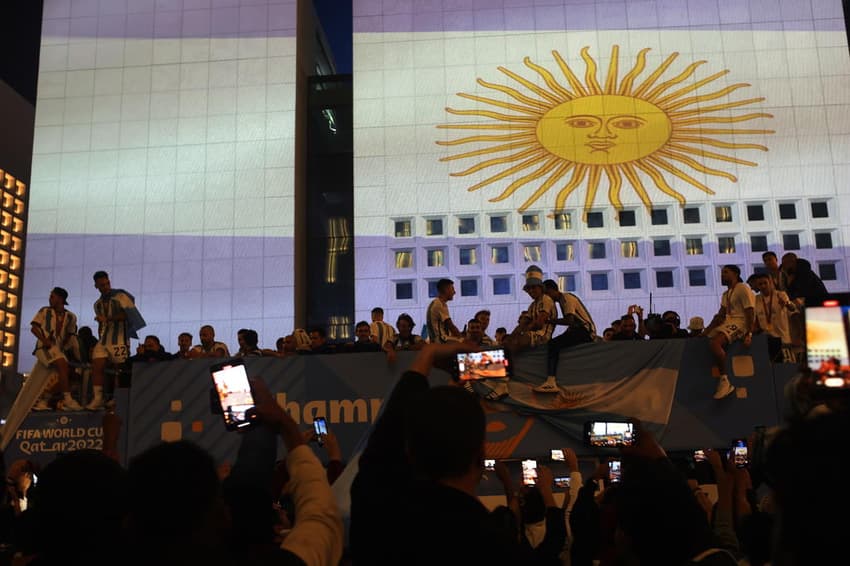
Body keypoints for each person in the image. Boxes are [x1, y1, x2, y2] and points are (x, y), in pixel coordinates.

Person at [349, 342, 526, 565]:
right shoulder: (496, 546)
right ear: (480, 457)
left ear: (411, 452)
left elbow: (384, 440)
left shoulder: (377, 512)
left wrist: (428, 354)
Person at [88, 271, 146, 410]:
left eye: (107, 283)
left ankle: (117, 397)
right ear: (96, 286)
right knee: (97, 365)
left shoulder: (120, 295)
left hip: (119, 339)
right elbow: (102, 324)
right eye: (102, 285)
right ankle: (98, 398)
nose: (106, 287)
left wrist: (107, 319)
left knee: (119, 369)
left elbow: (129, 315)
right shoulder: (97, 304)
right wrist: (100, 335)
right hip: (104, 339)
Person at [534, 279, 596, 393]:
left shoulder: (566, 298)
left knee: (553, 344)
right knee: (557, 343)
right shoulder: (564, 300)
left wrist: (549, 321)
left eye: (546, 293)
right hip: (581, 330)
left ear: (552, 290)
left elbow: (569, 320)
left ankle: (551, 381)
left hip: (586, 331)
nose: (546, 297)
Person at [704, 265, 756, 399]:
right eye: (722, 273)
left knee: (715, 344)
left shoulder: (742, 288)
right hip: (728, 322)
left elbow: (750, 312)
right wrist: (706, 331)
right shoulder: (725, 294)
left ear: (736, 274)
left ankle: (725, 380)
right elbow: (720, 316)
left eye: (726, 272)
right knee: (706, 341)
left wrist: (749, 333)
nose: (722, 275)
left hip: (740, 323)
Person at [29, 287, 83, 411]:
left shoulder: (71, 317)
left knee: (68, 373)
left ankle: (43, 401)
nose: (50, 299)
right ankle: (68, 400)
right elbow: (34, 328)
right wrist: (45, 341)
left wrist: (64, 345)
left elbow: (70, 334)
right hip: (43, 347)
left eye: (52, 296)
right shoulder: (44, 311)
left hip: (57, 350)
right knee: (63, 366)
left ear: (60, 299)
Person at [504, 266, 557, 356]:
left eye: (533, 287)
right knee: (509, 341)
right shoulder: (532, 306)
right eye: (529, 288)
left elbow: (539, 324)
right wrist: (510, 338)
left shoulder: (546, 299)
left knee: (518, 341)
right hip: (532, 335)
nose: (531, 291)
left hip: (543, 337)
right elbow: (521, 325)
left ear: (540, 288)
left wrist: (521, 332)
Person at [751, 273, 797, 363]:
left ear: (770, 282)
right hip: (767, 341)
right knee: (772, 368)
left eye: (765, 283)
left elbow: (793, 308)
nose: (763, 286)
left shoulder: (780, 294)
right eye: (760, 284)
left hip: (783, 339)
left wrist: (787, 303)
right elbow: (755, 320)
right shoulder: (756, 300)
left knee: (788, 367)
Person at [426, 278, 461, 343]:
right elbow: (450, 326)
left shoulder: (437, 302)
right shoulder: (439, 304)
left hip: (436, 340)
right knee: (465, 343)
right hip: (440, 340)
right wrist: (461, 337)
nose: (454, 292)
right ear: (446, 290)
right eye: (452, 289)